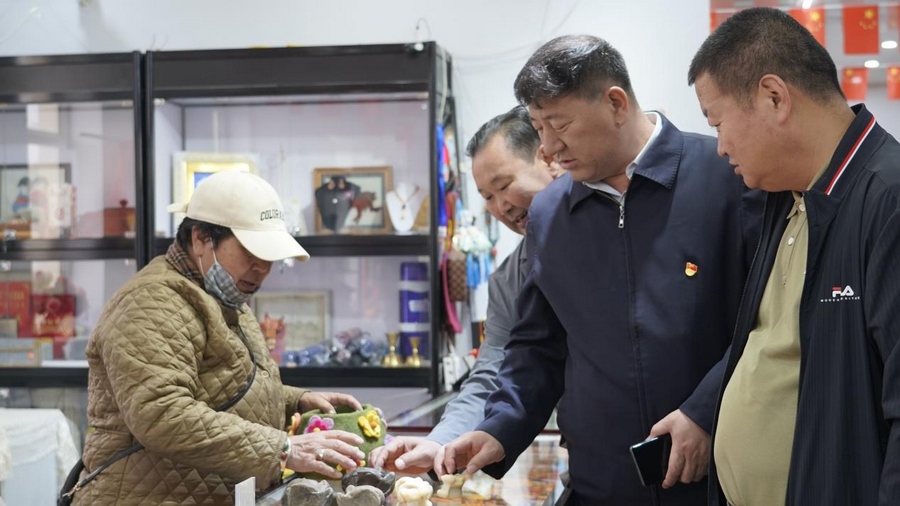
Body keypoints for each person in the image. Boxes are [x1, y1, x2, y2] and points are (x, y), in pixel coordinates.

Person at [440, 35, 762, 505]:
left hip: (718, 477)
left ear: (615, 103)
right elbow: (537, 346)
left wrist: (705, 411)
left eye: (559, 125)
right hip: (598, 483)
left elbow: (770, 319)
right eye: (538, 127)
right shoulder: (551, 214)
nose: (549, 147)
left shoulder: (727, 177)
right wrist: (500, 429)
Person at [689, 8, 900, 506]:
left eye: (718, 123)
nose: (719, 147)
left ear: (774, 97)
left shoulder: (887, 200)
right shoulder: (787, 198)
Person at [73, 170, 367, 505]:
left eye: (270, 257)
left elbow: (221, 384)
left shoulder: (220, 295)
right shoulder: (150, 301)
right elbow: (161, 412)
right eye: (250, 252)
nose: (262, 268)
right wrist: (282, 448)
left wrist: (294, 401)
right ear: (201, 238)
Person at [369, 106, 561, 474]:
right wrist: (440, 441)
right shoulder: (509, 279)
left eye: (504, 185)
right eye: (487, 196)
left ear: (548, 158)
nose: (501, 207)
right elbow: (493, 371)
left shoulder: (603, 233)